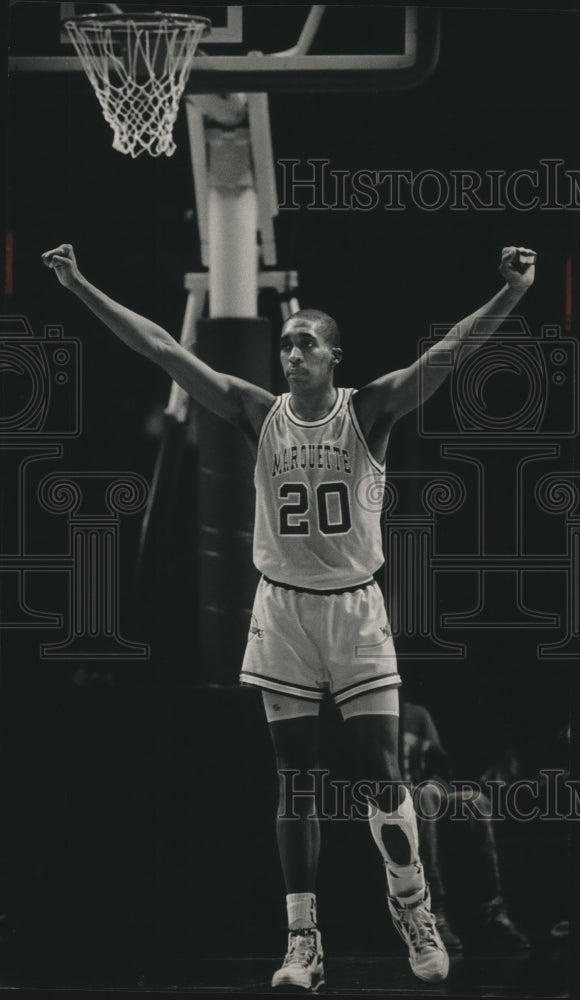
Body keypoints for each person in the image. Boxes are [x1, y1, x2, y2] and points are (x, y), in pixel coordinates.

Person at [42, 241, 536, 990]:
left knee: (379, 775)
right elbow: (165, 346)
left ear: (335, 354)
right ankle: (302, 939)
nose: (292, 351)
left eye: (306, 341)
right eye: (285, 343)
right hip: (282, 612)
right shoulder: (256, 412)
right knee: (295, 781)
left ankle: (413, 905)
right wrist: (79, 286)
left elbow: (451, 352)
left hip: (355, 611)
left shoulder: (371, 408)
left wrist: (514, 294)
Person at [401, 700, 530, 954]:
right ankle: (433, 910)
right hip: (382, 802)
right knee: (422, 797)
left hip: (423, 794)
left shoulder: (416, 714)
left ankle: (492, 909)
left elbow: (440, 769)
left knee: (473, 801)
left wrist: (433, 783)